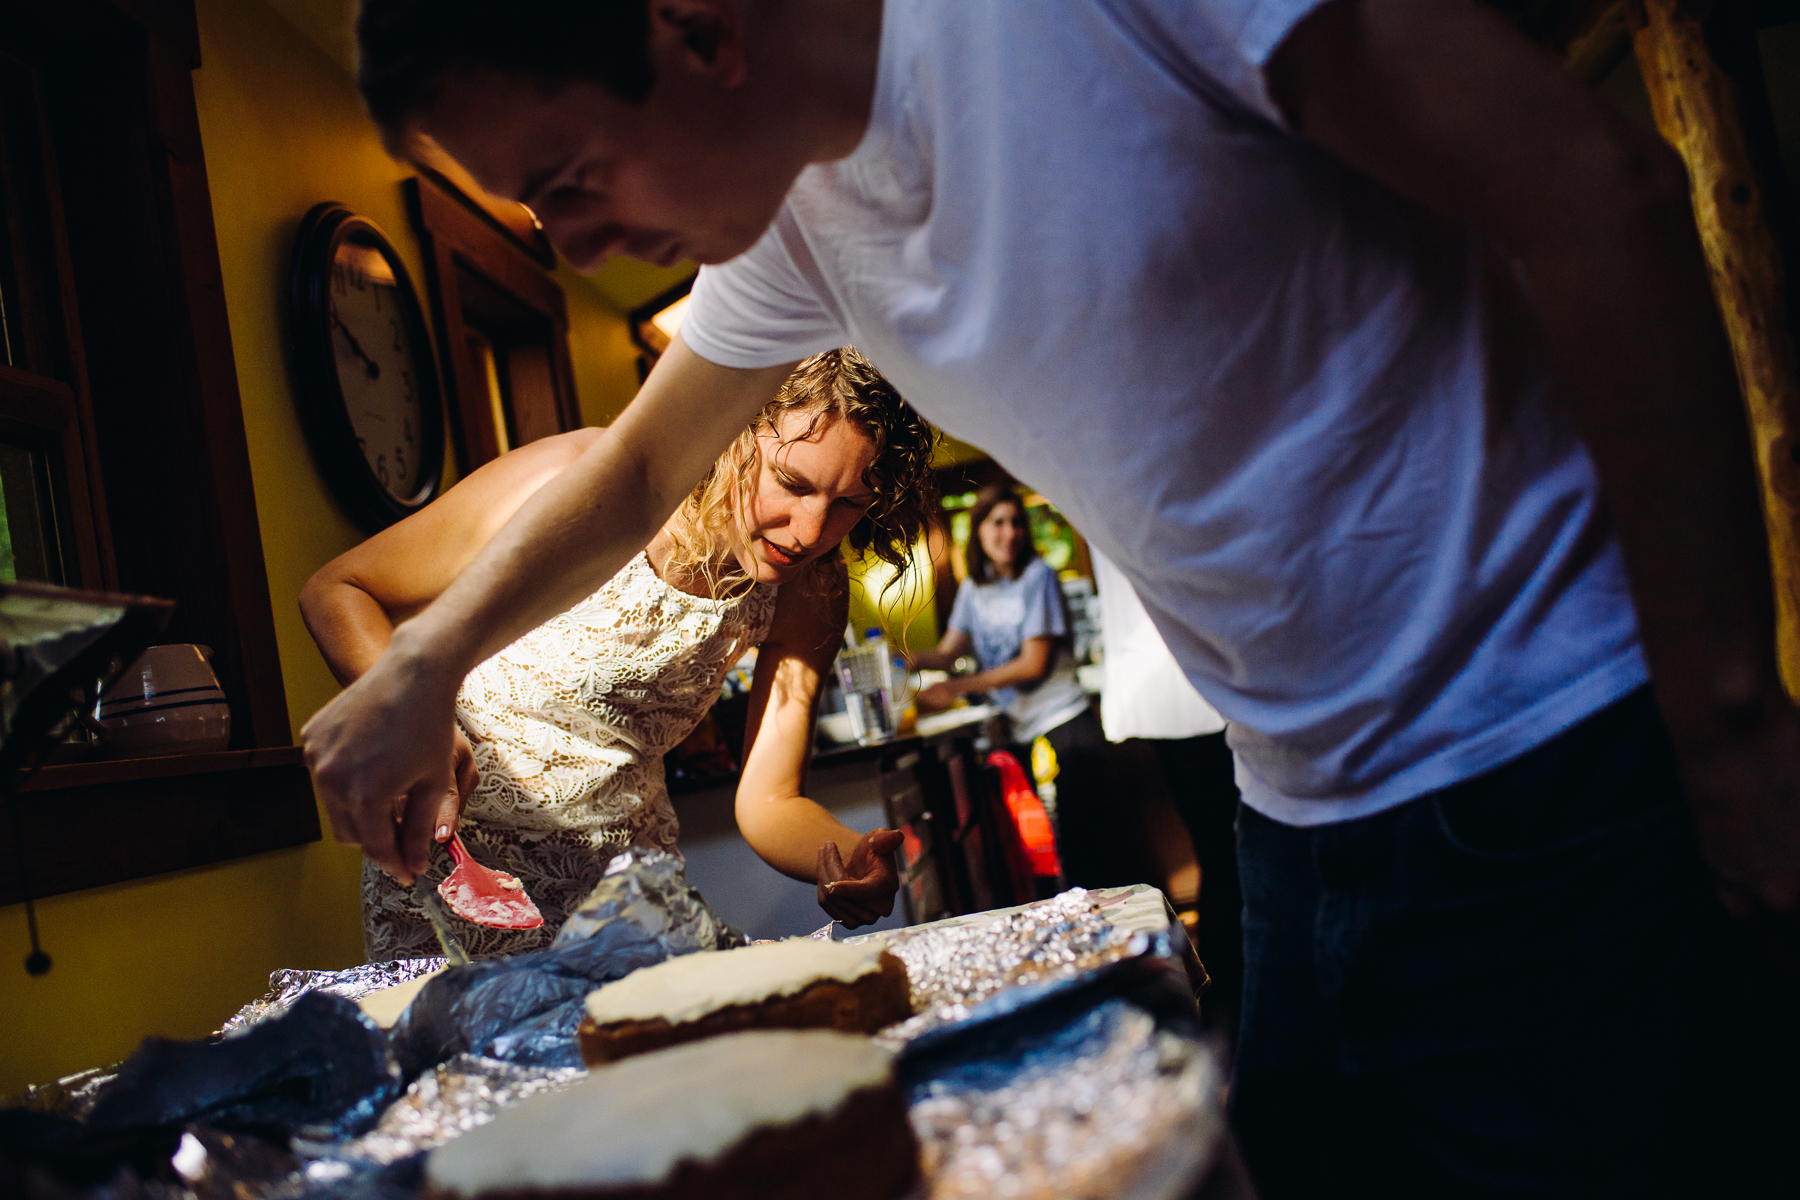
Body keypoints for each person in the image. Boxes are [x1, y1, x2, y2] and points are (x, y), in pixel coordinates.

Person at [305, 0, 1800, 1191]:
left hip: (1547, 753)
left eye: (567, 183)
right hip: (1299, 818)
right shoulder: (800, 223)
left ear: (695, 29)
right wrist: (425, 661)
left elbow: (1593, 188)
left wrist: (1728, 715)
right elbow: (631, 479)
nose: (563, 244)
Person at [301, 348, 937, 958]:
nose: (810, 532)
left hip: (626, 902)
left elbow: (769, 800)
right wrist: (417, 718)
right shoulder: (572, 480)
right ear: (732, 432)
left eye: (851, 503)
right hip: (454, 889)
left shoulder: (812, 588)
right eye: (792, 483)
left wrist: (851, 854)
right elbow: (338, 591)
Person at [904, 485, 1108, 887]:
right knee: (1040, 855)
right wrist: (901, 655)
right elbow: (947, 653)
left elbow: (1033, 664)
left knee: (1086, 853)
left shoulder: (1038, 576)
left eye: (1016, 523)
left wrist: (957, 687)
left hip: (1065, 725)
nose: (1009, 532)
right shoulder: (973, 588)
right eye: (998, 522)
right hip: (1020, 732)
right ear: (978, 531)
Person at [1091, 548, 1243, 1043]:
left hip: (1165, 695)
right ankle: (1233, 1001)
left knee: (1219, 854)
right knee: (1229, 855)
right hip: (1200, 689)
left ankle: (1227, 1000)